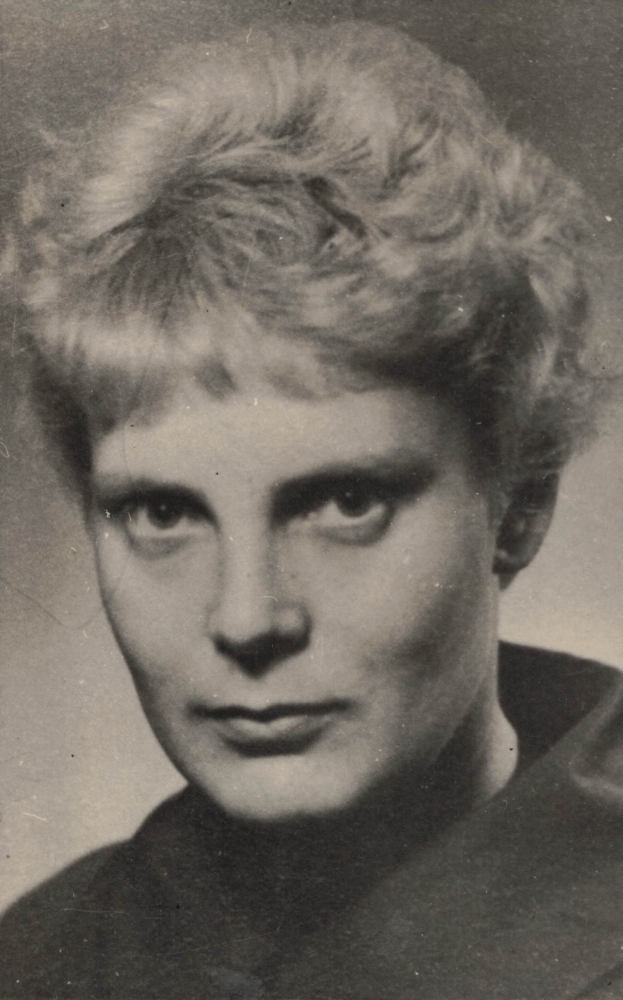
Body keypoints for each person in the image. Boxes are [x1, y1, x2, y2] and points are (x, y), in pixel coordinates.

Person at [0, 19, 621, 1000]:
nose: (247, 619)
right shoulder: (36, 958)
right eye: (162, 514)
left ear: (518, 506)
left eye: (344, 502)